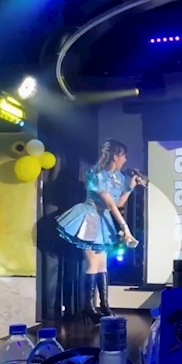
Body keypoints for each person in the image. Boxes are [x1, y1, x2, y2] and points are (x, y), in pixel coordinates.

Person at [55, 139, 144, 324]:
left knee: (103, 265)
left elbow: (118, 203)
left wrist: (130, 187)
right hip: (89, 218)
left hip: (103, 220)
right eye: (123, 156)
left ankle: (104, 305)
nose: (125, 160)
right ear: (115, 156)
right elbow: (110, 204)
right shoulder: (97, 174)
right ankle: (88, 306)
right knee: (93, 265)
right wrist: (125, 229)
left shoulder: (118, 177)